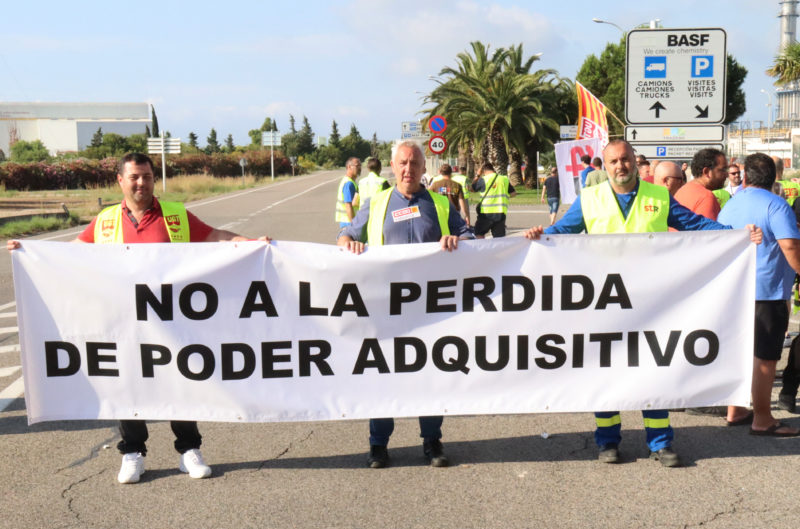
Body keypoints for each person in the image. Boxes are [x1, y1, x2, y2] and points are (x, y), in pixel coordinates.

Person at [8, 152, 272, 484]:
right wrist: (31, 252)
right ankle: (133, 452)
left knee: (180, 381)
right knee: (127, 385)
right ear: (120, 180)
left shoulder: (175, 215)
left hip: (171, 322)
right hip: (124, 324)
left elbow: (212, 236)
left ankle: (188, 450)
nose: (141, 183)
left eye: (147, 176)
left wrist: (249, 244)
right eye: (134, 177)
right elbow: (71, 252)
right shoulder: (105, 222)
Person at [523, 140, 762, 467]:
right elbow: (562, 231)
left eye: (625, 160)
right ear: (605, 166)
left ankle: (660, 442)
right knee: (605, 374)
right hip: (603, 305)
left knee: (653, 371)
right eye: (613, 162)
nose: (620, 166)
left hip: (651, 307)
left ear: (634, 162)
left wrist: (737, 235)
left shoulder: (658, 196)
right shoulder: (589, 199)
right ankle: (607, 442)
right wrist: (540, 235)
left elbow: (696, 225)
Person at [337, 141, 473, 469]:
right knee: (384, 376)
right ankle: (378, 445)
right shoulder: (377, 203)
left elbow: (469, 235)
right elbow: (345, 235)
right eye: (402, 163)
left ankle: (432, 441)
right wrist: (348, 242)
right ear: (392, 166)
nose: (408, 169)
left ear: (424, 168)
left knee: (430, 375)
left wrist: (459, 239)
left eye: (414, 163)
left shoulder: (440, 204)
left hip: (431, 312)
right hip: (386, 311)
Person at [719, 153, 800, 436]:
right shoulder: (776, 205)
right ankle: (763, 419)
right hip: (768, 291)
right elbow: (789, 246)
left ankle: (736, 409)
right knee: (765, 357)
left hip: (734, 290)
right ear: (774, 177)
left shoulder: (730, 204)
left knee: (739, 352)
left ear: (745, 176)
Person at [674, 148, 728, 221]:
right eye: (723, 170)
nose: (727, 175)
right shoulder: (706, 197)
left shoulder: (682, 191)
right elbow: (710, 231)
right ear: (707, 172)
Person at [471, 162, 516, 238]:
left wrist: (477, 175)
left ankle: (483, 249)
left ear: (483, 171)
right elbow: (513, 193)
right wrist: (505, 195)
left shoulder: (484, 179)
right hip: (500, 212)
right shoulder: (504, 179)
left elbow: (472, 189)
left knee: (479, 233)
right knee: (499, 238)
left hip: (486, 213)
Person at [335, 157, 362, 227]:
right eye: (357, 166)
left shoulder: (351, 181)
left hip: (348, 221)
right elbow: (348, 205)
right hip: (348, 222)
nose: (359, 168)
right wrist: (353, 224)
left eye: (360, 166)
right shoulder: (348, 183)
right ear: (349, 167)